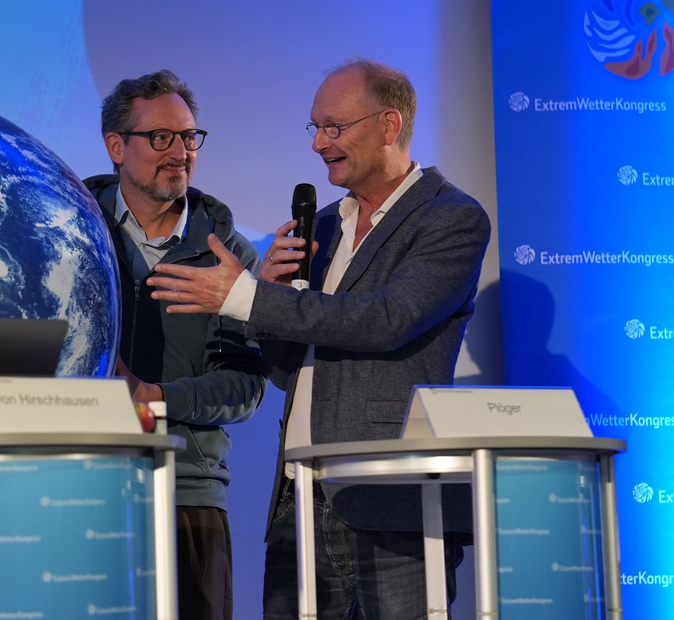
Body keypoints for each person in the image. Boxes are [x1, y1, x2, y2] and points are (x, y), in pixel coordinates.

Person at [147, 59, 492, 619]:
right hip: (301, 495)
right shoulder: (326, 224)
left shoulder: (450, 218)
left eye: (334, 127)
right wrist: (273, 295)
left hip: (395, 499)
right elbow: (289, 370)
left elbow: (387, 319)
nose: (318, 144)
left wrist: (248, 298)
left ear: (389, 125)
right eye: (316, 127)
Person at [84, 69, 267, 620]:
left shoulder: (228, 255)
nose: (180, 152)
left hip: (187, 491)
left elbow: (245, 385)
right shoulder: (71, 233)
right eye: (160, 137)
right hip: (77, 482)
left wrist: (154, 397)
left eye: (188, 137)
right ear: (117, 146)